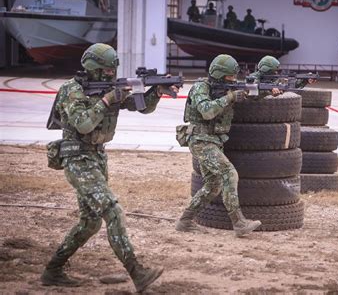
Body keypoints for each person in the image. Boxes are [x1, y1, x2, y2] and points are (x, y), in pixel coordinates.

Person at [41, 43, 179, 292]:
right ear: (93, 68)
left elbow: (142, 106)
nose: (109, 75)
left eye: (111, 70)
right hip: (77, 159)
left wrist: (156, 91)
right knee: (112, 211)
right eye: (105, 71)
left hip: (96, 158)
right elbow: (83, 124)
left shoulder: (111, 88)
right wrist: (106, 100)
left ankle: (52, 270)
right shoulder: (72, 91)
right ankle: (138, 272)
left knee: (90, 223)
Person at [175, 54, 262, 237]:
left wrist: (265, 91)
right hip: (200, 139)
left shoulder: (226, 89)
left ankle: (185, 220)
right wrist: (230, 98)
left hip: (213, 140)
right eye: (230, 77)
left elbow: (253, 94)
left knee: (213, 184)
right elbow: (207, 111)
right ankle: (238, 222)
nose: (233, 80)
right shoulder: (201, 87)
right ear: (219, 75)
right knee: (228, 173)